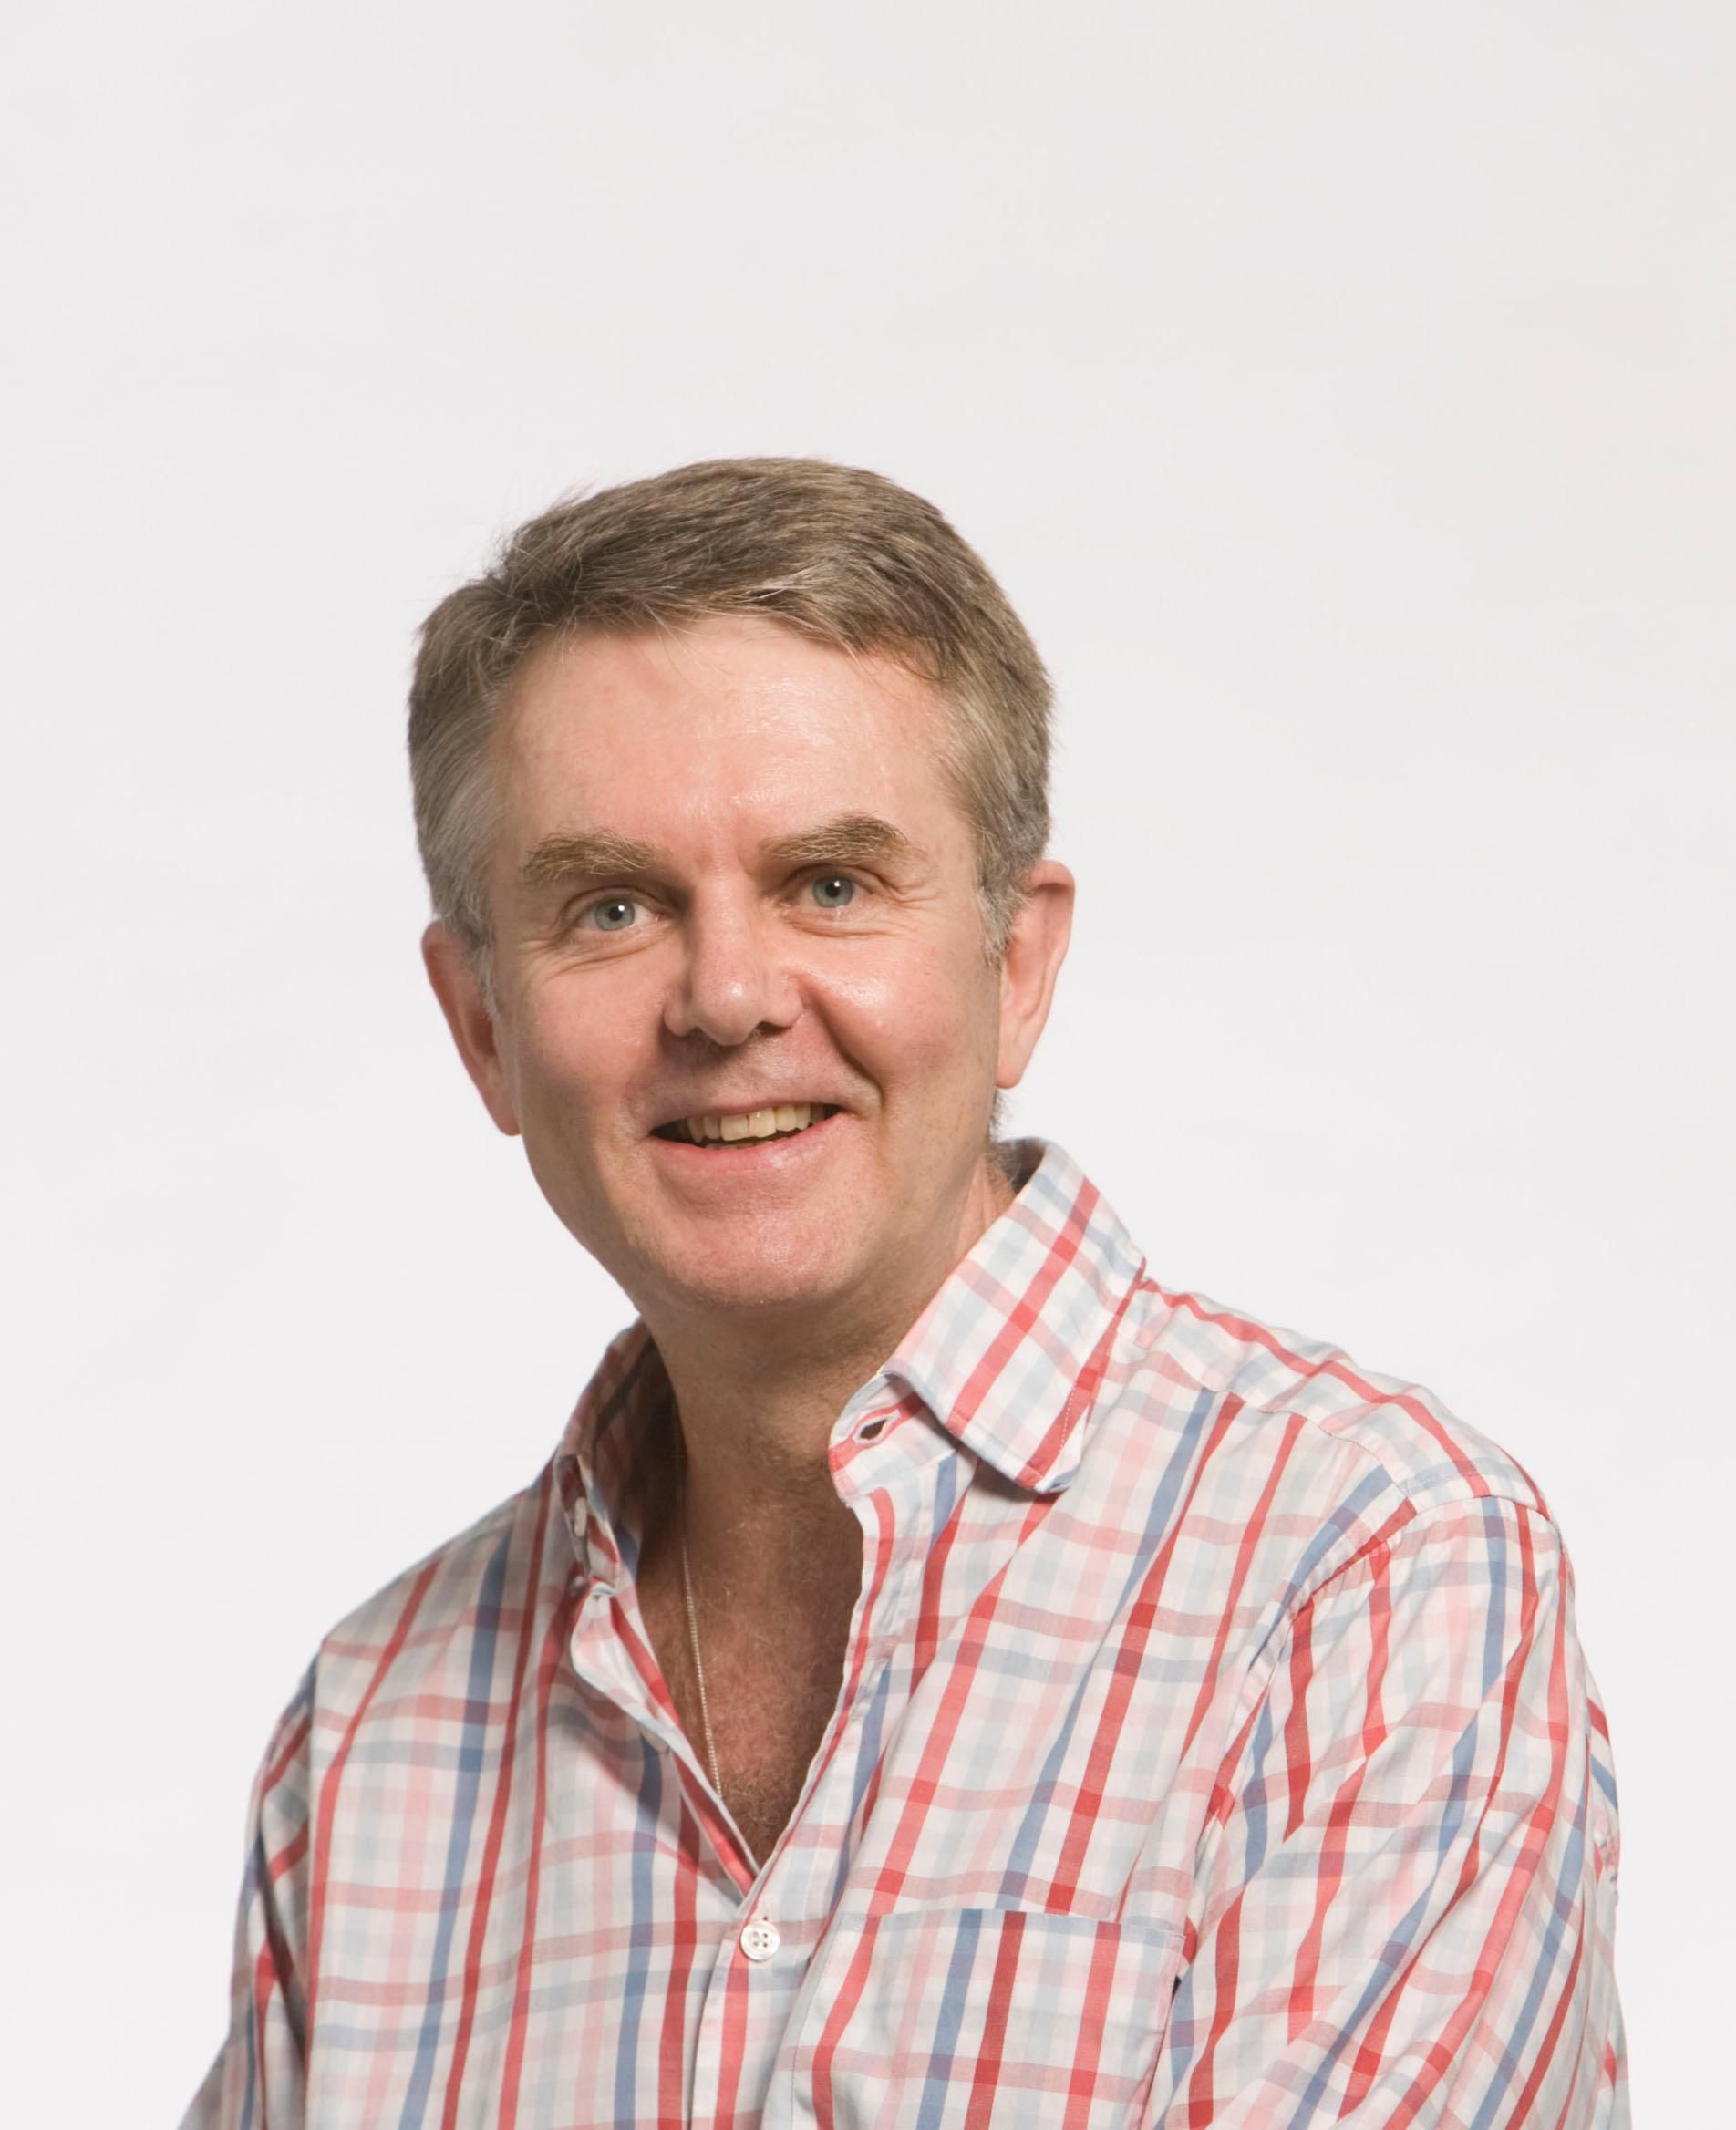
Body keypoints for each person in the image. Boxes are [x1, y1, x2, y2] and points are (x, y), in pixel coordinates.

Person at [183, 458, 1627, 2128]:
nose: (728, 998)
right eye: (613, 907)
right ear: (484, 1026)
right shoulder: (371, 1735)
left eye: (831, 884)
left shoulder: (1374, 1576)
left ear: (1017, 963)